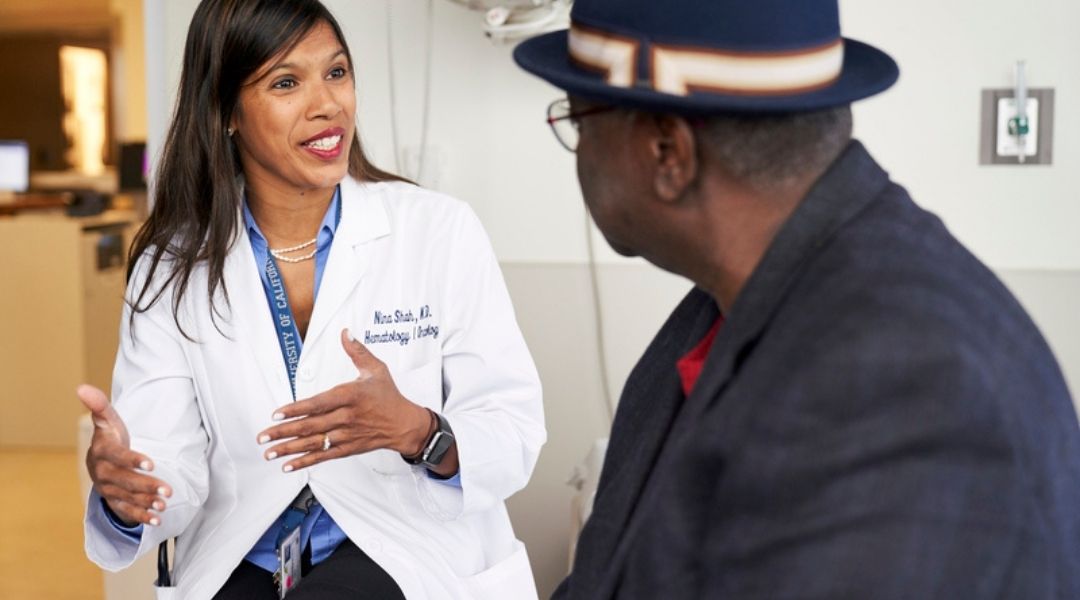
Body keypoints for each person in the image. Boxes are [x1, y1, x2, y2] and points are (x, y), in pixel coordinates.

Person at [514, 0, 1080, 597]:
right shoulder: (733, 302)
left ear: (667, 153)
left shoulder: (906, 379)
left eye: (579, 122)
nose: (579, 153)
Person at [80, 1, 545, 598]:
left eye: (337, 72)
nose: (328, 105)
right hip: (242, 555)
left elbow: (513, 429)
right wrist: (131, 492)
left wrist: (418, 431)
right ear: (225, 112)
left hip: (405, 549)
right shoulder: (172, 264)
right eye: (285, 82)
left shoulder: (437, 231)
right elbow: (167, 463)